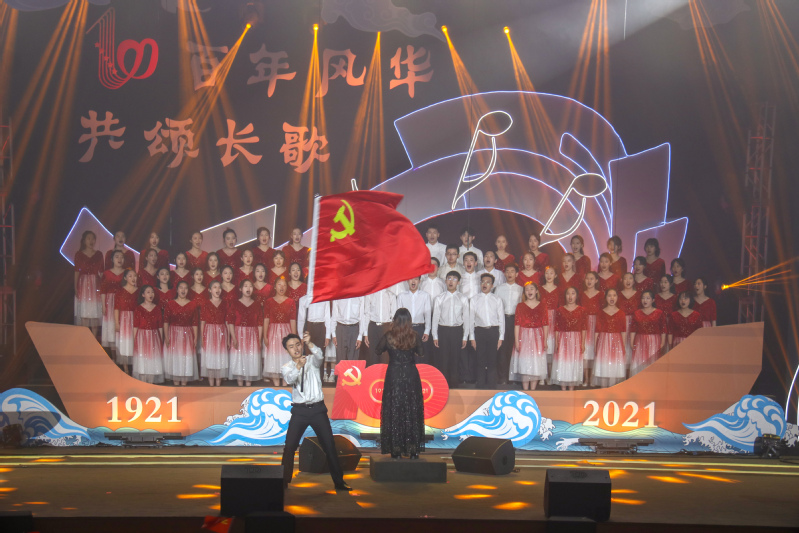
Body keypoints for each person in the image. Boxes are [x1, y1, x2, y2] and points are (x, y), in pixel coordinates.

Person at [280, 331, 351, 491]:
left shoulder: (312, 360)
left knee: (329, 446)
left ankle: (339, 482)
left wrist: (310, 343)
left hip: (318, 410)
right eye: (291, 347)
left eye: (298, 344)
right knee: (289, 447)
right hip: (299, 412)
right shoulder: (287, 367)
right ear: (287, 350)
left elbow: (320, 355)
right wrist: (299, 366)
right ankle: (283, 482)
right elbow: (290, 379)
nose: (296, 349)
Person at [377, 308, 426, 459]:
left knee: (395, 409)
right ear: (409, 321)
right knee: (412, 409)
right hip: (411, 374)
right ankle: (413, 450)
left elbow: (378, 350)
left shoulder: (389, 336)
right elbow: (421, 352)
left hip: (394, 375)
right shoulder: (414, 336)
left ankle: (396, 450)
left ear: (395, 320)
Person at [432, 271, 470, 387]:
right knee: (443, 359)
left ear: (458, 282)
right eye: (449, 278)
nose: (451, 281)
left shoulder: (463, 298)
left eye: (454, 279)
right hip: (443, 331)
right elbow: (435, 318)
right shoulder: (440, 298)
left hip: (457, 331)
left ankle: (454, 385)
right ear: (445, 281)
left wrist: (465, 336)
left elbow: (466, 318)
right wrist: (435, 336)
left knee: (455, 358)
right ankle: (443, 385)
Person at [509, 282, 548, 390]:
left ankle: (533, 390)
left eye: (531, 289)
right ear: (524, 293)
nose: (529, 291)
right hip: (524, 336)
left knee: (535, 362)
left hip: (537, 337)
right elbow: (517, 325)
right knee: (524, 362)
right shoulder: (520, 306)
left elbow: (545, 324)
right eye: (527, 289)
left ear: (536, 291)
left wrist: (545, 340)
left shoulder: (542, 305)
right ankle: (525, 389)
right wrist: (517, 341)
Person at [469, 273, 504, 389]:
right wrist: (472, 337)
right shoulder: (474, 299)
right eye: (483, 282)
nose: (485, 284)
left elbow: (501, 320)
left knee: (492, 359)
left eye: (488, 282)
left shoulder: (497, 299)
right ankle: (480, 385)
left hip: (493, 331)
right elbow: (471, 320)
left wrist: (501, 337)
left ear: (492, 285)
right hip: (479, 331)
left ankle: (491, 385)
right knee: (480, 359)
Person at [227, 279, 263, 387]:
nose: (248, 288)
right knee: (239, 360)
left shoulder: (257, 304)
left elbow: (260, 323)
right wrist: (233, 338)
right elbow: (230, 322)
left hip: (252, 336)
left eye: (250, 286)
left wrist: (259, 340)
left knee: (250, 361)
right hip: (239, 335)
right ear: (240, 289)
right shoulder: (235, 304)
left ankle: (248, 387)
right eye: (245, 286)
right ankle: (240, 386)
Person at [163, 281, 199, 386]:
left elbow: (195, 323)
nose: (183, 290)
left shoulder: (192, 304)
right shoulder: (170, 304)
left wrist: (195, 337)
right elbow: (166, 322)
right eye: (181, 288)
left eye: (185, 288)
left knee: (186, 357)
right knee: (175, 358)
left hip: (187, 335)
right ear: (177, 290)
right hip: (173, 334)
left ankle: (184, 384)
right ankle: (176, 384)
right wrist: (166, 337)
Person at [263, 278, 297, 385]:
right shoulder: (269, 302)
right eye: (279, 284)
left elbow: (292, 320)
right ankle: (276, 385)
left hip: (286, 332)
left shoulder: (291, 302)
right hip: (273, 333)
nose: (282, 287)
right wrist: (265, 335)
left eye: (284, 285)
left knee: (285, 356)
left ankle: (285, 385)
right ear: (275, 287)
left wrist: (294, 337)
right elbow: (266, 319)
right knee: (274, 357)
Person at [551, 287, 585, 390]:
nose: (570, 296)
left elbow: (584, 328)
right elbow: (556, 327)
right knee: (563, 361)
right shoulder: (560, 310)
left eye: (573, 293)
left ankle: (571, 389)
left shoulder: (582, 310)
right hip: (563, 339)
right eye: (568, 294)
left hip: (576, 339)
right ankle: (563, 388)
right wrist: (557, 342)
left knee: (574, 362)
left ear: (576, 296)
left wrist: (583, 343)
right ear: (565, 296)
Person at [592, 289, 627, 387]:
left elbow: (623, 331)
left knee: (614, 366)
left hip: (616, 342)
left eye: (614, 295)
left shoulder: (621, 313)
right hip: (604, 341)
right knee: (604, 366)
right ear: (606, 298)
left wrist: (623, 346)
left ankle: (612, 391)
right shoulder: (600, 313)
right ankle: (603, 389)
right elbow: (597, 331)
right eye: (609, 295)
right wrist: (595, 346)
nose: (612, 298)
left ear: (617, 297)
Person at [629, 290, 668, 376]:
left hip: (654, 341)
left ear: (653, 300)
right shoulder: (637, 313)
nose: (645, 300)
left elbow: (663, 329)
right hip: (640, 340)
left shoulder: (659, 313)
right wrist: (632, 342)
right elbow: (633, 329)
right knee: (640, 361)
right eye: (643, 298)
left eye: (648, 298)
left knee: (652, 362)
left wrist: (662, 343)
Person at [495, 263, 522, 385]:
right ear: (504, 273)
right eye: (507, 271)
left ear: (517, 274)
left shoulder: (521, 289)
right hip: (503, 319)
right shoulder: (499, 288)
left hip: (516, 320)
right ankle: (502, 377)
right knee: (502, 349)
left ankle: (514, 377)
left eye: (512, 271)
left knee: (514, 348)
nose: (509, 274)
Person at [132, 285, 164, 384]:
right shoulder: (138, 309)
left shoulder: (157, 308)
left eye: (152, 292)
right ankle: (143, 384)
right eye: (148, 292)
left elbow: (160, 326)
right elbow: (135, 326)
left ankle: (151, 383)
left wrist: (160, 340)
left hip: (154, 337)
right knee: (142, 360)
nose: (151, 294)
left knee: (152, 360)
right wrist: (135, 341)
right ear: (143, 295)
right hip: (142, 338)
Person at [74, 230, 104, 335]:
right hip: (83, 285)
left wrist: (103, 287)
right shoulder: (79, 254)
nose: (91, 241)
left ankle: (94, 340)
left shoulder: (99, 254)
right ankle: (85, 339)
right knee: (84, 314)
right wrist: (75, 287)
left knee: (95, 314)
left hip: (95, 285)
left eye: (93, 239)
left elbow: (101, 272)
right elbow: (76, 272)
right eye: (89, 238)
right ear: (84, 240)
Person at [396, 276, 432, 364]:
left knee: (420, 357)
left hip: (420, 328)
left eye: (416, 279)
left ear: (419, 281)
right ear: (407, 281)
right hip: (405, 329)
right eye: (411, 279)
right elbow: (398, 316)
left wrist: (427, 331)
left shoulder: (425, 296)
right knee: (405, 356)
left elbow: (427, 314)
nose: (413, 281)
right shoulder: (401, 296)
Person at [297, 294, 332, 381]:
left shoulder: (325, 298)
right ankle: (308, 380)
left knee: (320, 355)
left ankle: (319, 380)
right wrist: (301, 336)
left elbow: (327, 317)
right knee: (308, 356)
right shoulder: (303, 299)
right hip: (309, 327)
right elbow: (301, 318)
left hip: (321, 327)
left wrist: (327, 335)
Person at [200, 280, 229, 386]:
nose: (217, 289)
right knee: (210, 358)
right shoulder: (205, 304)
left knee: (220, 358)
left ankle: (218, 385)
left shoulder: (225, 304)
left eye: (219, 287)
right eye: (215, 287)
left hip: (221, 333)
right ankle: (211, 385)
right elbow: (202, 322)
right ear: (210, 290)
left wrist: (228, 338)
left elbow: (227, 322)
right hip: (209, 333)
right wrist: (202, 338)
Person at [364, 288, 397, 366]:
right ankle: (374, 374)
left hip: (386, 327)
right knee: (373, 356)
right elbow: (367, 314)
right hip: (373, 327)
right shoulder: (370, 294)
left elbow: (394, 315)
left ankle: (384, 374)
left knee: (385, 357)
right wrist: (365, 333)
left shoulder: (391, 295)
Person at [100, 250, 125, 351]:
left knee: (120, 324)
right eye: (117, 257)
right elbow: (103, 290)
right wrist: (103, 305)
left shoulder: (126, 273)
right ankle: (113, 354)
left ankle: (120, 352)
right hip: (109, 302)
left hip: (122, 302)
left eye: (122, 257)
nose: (119, 259)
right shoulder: (106, 273)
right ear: (112, 259)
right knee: (111, 324)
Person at [114, 269, 138, 374]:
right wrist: (116, 323)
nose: (133, 278)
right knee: (124, 343)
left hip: (136, 319)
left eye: (134, 276)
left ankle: (135, 369)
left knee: (134, 343)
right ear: (125, 278)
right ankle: (126, 369)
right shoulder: (120, 292)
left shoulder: (139, 291)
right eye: (130, 276)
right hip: (124, 320)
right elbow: (116, 308)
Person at [581, 272, 603, 385]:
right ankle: (586, 379)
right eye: (587, 279)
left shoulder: (600, 295)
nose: (589, 281)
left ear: (596, 280)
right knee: (585, 352)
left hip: (596, 324)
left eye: (592, 279)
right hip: (584, 325)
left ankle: (593, 378)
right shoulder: (582, 294)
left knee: (595, 351)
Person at [539, 266, 560, 380]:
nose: (549, 275)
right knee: (544, 346)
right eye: (547, 273)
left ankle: (552, 375)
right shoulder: (540, 289)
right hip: (543, 320)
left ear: (555, 275)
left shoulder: (559, 290)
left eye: (551, 273)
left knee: (553, 346)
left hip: (555, 319)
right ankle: (543, 376)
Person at [331, 296, 365, 362]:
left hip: (354, 329)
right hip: (340, 329)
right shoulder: (338, 294)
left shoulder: (360, 295)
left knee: (353, 361)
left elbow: (362, 316)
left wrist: (360, 336)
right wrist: (333, 334)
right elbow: (334, 315)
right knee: (340, 360)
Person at [617, 272, 640, 370]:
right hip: (621, 322)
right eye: (625, 278)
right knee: (621, 344)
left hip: (634, 323)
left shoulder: (638, 294)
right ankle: (621, 370)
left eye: (630, 278)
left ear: (634, 281)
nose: (628, 281)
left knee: (632, 344)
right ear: (622, 281)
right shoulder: (618, 294)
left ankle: (632, 370)